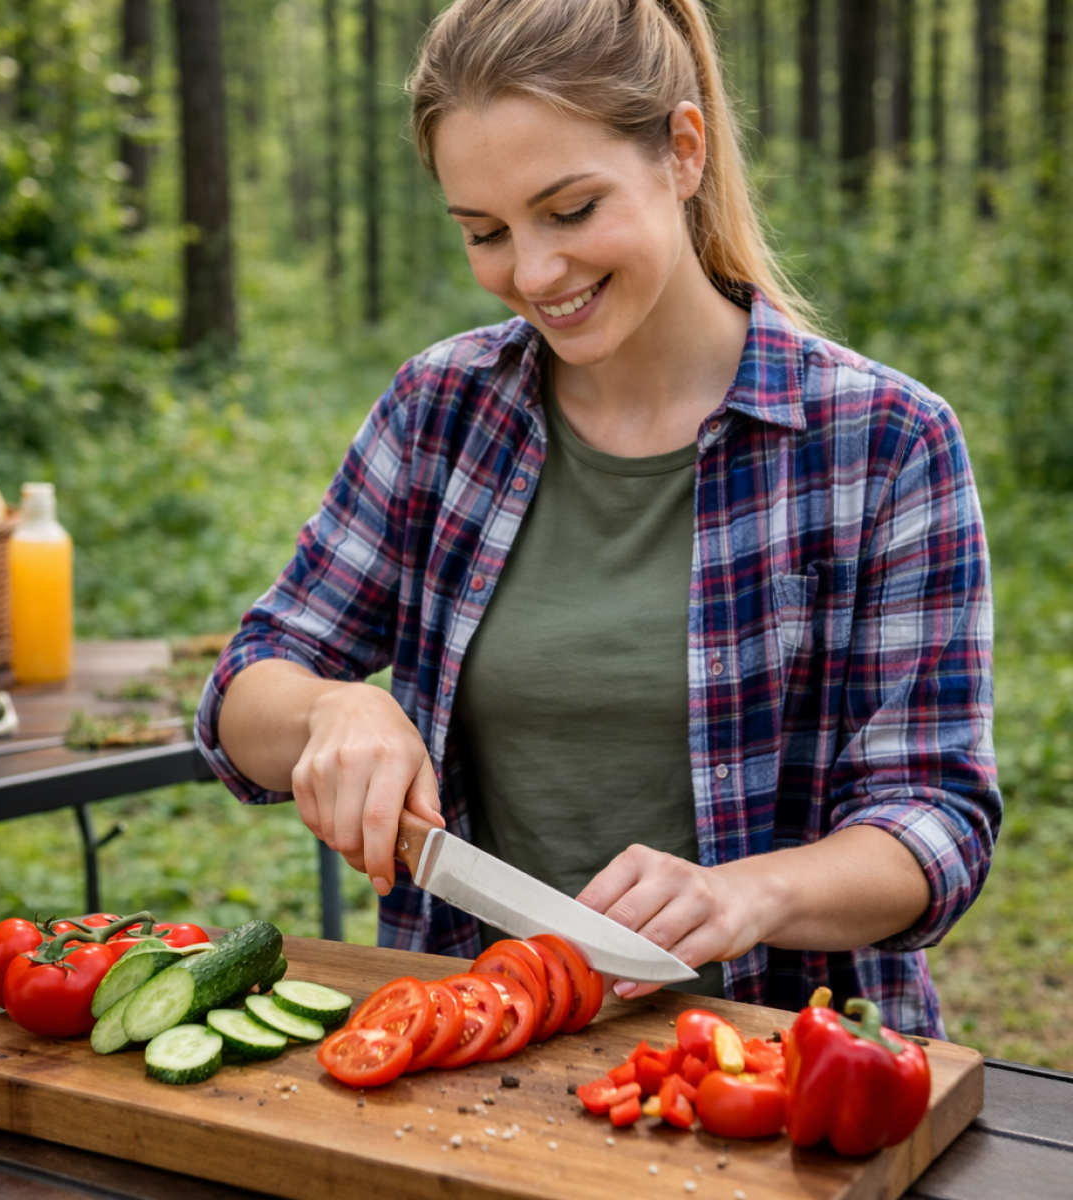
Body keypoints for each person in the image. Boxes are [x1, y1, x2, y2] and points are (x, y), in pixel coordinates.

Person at [196, 0, 999, 1036]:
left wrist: (746, 894)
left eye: (570, 211)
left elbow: (936, 821)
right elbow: (243, 687)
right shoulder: (443, 411)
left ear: (682, 149)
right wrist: (329, 711)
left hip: (787, 1068)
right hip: (474, 1053)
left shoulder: (883, 441)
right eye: (485, 232)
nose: (532, 273)